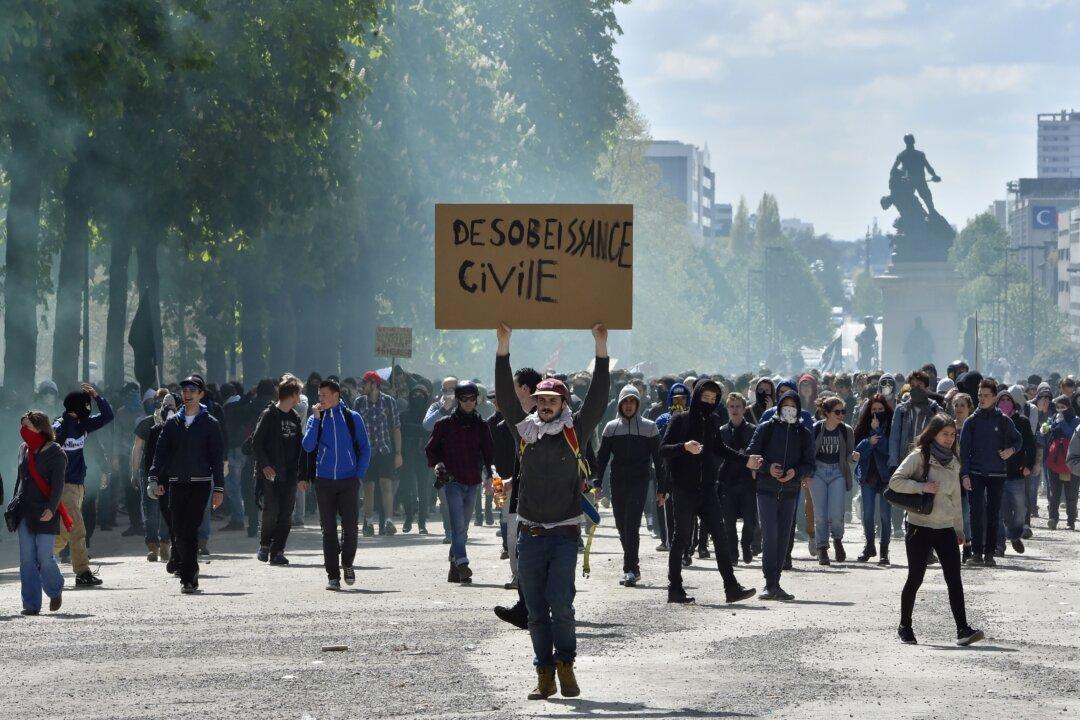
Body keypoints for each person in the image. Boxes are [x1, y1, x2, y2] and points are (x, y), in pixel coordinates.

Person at [494, 322, 609, 701]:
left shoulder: (576, 431)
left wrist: (601, 347)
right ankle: (543, 673)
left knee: (561, 604)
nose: (544, 406)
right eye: (540, 401)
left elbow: (598, 397)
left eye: (552, 401)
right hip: (530, 536)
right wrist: (503, 347)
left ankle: (566, 666)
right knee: (535, 611)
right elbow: (508, 400)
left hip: (563, 535)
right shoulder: (523, 431)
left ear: (562, 405)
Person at [658, 378, 756, 605]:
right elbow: (663, 449)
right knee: (681, 539)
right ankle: (675, 589)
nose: (710, 402)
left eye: (714, 399)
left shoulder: (713, 420)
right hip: (684, 489)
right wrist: (684, 447)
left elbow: (720, 448)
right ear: (697, 396)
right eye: (706, 398)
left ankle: (731, 588)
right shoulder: (679, 419)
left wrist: (746, 460)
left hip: (708, 489)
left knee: (720, 538)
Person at [889, 414, 984, 647]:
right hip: (919, 526)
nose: (949, 439)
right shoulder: (919, 457)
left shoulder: (954, 462)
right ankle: (905, 626)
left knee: (954, 579)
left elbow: (956, 499)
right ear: (933, 434)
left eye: (953, 435)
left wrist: (959, 529)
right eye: (945, 434)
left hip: (945, 528)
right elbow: (895, 482)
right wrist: (921, 486)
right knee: (915, 577)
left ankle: (963, 629)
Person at [147, 376, 226, 594]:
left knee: (190, 529)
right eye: (184, 390)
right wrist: (153, 478)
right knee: (178, 531)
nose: (187, 393)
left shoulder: (210, 424)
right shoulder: (172, 424)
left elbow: (216, 458)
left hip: (200, 485)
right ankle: (188, 568)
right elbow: (160, 453)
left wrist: (219, 488)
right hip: (177, 484)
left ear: (201, 394)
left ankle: (188, 578)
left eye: (192, 390)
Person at [302, 379, 371, 590]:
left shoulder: (352, 418)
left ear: (336, 396)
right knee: (328, 530)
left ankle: (347, 562)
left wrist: (358, 475)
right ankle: (333, 576)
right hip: (324, 481)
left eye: (324, 395)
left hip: (349, 480)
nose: (320, 399)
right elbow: (307, 445)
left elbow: (365, 448)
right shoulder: (317, 418)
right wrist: (315, 419)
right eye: (319, 395)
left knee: (350, 527)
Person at [747, 390, 814, 600]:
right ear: (778, 406)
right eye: (785, 404)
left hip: (790, 491)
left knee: (784, 537)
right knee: (770, 535)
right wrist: (768, 467)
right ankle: (769, 583)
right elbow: (751, 454)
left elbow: (810, 465)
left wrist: (796, 472)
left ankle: (776, 583)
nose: (789, 409)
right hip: (766, 489)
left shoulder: (804, 433)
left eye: (793, 405)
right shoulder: (766, 428)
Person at [425, 381, 494, 583]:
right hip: (452, 481)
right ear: (457, 400)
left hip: (473, 482)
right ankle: (463, 564)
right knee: (457, 525)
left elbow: (488, 454)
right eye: (464, 398)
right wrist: (437, 464)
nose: (468, 402)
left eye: (472, 398)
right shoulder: (443, 425)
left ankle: (453, 563)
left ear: (477, 400)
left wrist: (489, 476)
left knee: (463, 527)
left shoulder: (482, 426)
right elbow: (431, 450)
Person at [594, 384, 661, 587]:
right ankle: (633, 565)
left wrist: (663, 487)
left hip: (640, 481)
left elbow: (659, 459)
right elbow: (602, 458)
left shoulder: (650, 427)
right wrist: (597, 482)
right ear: (620, 404)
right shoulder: (611, 428)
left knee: (632, 525)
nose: (629, 405)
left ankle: (630, 568)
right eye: (625, 401)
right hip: (618, 482)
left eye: (633, 401)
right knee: (621, 526)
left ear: (638, 403)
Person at [492, 365, 542, 630]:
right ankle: (527, 607)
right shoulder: (528, 417)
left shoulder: (537, 419)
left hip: (540, 500)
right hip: (523, 493)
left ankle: (532, 608)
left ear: (524, 388)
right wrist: (511, 482)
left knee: (530, 552)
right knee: (522, 552)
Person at [53, 383, 114, 587]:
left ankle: (40, 559)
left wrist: (97, 397)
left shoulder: (83, 424)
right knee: (78, 529)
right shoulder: (60, 426)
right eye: (87, 405)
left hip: (78, 486)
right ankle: (82, 572)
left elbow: (107, 416)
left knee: (64, 532)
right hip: (64, 487)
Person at [958, 378, 1022, 567]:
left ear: (995, 398)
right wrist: (964, 475)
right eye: (980, 395)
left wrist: (1010, 451)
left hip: (997, 474)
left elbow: (1018, 441)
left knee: (993, 514)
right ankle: (977, 552)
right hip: (975, 474)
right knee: (976, 514)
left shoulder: (1003, 421)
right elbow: (964, 452)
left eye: (986, 396)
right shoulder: (971, 422)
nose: (982, 399)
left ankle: (990, 554)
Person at [10, 411, 68, 615]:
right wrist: (13, 505)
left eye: (27, 426)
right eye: (22, 426)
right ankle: (31, 604)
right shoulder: (23, 449)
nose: (23, 431)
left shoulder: (56, 452)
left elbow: (58, 486)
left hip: (45, 511)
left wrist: (51, 509)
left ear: (40, 428)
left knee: (44, 557)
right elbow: (20, 481)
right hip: (25, 511)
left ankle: (55, 589)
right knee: (27, 559)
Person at [251, 376, 306, 565]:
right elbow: (256, 443)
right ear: (292, 394)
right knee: (271, 510)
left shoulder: (295, 417)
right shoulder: (269, 415)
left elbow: (300, 447)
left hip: (290, 474)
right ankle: (265, 545)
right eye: (299, 393)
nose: (300, 397)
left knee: (286, 513)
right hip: (271, 473)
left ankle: (278, 551)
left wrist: (302, 473)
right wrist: (265, 465)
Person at [810, 396, 858, 565]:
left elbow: (849, 456)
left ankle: (837, 539)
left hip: (838, 472)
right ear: (827, 413)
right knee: (820, 514)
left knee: (836, 513)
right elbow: (809, 453)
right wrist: (806, 475)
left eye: (843, 411)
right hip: (818, 472)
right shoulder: (815, 428)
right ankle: (822, 548)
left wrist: (853, 457)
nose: (841, 415)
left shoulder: (846, 430)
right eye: (837, 412)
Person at [355, 370, 402, 536]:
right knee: (368, 487)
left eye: (365, 383)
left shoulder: (389, 402)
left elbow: (396, 428)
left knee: (386, 484)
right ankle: (368, 523)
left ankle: (388, 521)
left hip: (385, 450)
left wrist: (398, 453)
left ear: (374, 384)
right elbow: (354, 429)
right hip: (366, 451)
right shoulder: (359, 403)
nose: (362, 386)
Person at [131, 389, 171, 562]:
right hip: (152, 471)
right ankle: (158, 545)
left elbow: (136, 449)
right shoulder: (147, 423)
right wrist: (134, 471)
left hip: (159, 472)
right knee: (157, 510)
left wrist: (133, 471)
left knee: (154, 510)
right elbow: (137, 449)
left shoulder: (149, 422)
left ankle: (159, 546)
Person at [995, 387, 1035, 556]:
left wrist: (1029, 466)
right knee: (1000, 511)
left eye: (1008, 400)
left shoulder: (1023, 421)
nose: (1005, 403)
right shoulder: (993, 420)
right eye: (1001, 400)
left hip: (1017, 473)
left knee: (1020, 509)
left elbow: (1030, 446)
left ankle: (1015, 534)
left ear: (1013, 403)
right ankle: (999, 545)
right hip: (996, 473)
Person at [853, 394, 893, 564]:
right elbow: (859, 453)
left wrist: (877, 432)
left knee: (884, 515)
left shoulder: (892, 426)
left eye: (880, 409)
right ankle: (869, 546)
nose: (877, 412)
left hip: (885, 477)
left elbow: (888, 450)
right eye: (874, 410)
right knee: (867, 514)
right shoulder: (863, 428)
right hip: (868, 475)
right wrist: (869, 441)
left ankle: (884, 551)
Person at [718, 392, 757, 565]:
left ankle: (746, 544)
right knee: (729, 521)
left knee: (750, 520)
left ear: (744, 408)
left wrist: (747, 456)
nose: (735, 410)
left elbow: (757, 452)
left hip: (748, 480)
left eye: (738, 406)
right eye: (731, 406)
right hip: (727, 480)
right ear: (727, 408)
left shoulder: (752, 430)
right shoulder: (722, 431)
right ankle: (732, 553)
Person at [888, 370, 942, 474]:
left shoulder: (935, 410)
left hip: (927, 465)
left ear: (927, 388)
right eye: (913, 385)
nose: (916, 388)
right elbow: (894, 439)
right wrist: (893, 464)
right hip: (904, 463)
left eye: (919, 385)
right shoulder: (901, 410)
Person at [399, 384, 433, 534]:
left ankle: (422, 523)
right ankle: (408, 518)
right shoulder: (404, 415)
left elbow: (432, 433)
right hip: (407, 454)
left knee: (423, 489)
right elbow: (400, 432)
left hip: (423, 455)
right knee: (407, 488)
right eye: (415, 395)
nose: (418, 399)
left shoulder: (429, 416)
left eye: (421, 396)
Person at [1045, 395, 1080, 530]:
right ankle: (1053, 518)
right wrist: (1046, 429)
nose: (1060, 410)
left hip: (1071, 461)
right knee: (1054, 492)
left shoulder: (1076, 421)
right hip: (1054, 460)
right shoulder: (1054, 418)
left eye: (1063, 407)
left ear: (1069, 407)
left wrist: (1063, 423)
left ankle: (1070, 520)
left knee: (1071, 493)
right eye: (1057, 407)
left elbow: (1072, 435)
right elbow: (1050, 435)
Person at [951, 393, 975, 562]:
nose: (958, 408)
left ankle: (967, 546)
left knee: (966, 513)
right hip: (950, 475)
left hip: (968, 474)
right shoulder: (948, 427)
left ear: (969, 408)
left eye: (962, 405)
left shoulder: (973, 426)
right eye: (956, 405)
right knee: (951, 513)